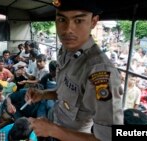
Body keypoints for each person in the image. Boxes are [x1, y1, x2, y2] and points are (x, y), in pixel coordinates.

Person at [26, 0, 124, 140]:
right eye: (61, 19)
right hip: (54, 121)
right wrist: (43, 94)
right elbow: (66, 93)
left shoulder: (99, 72)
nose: (67, 30)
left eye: (78, 20)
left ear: (93, 22)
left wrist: (53, 130)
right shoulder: (66, 50)